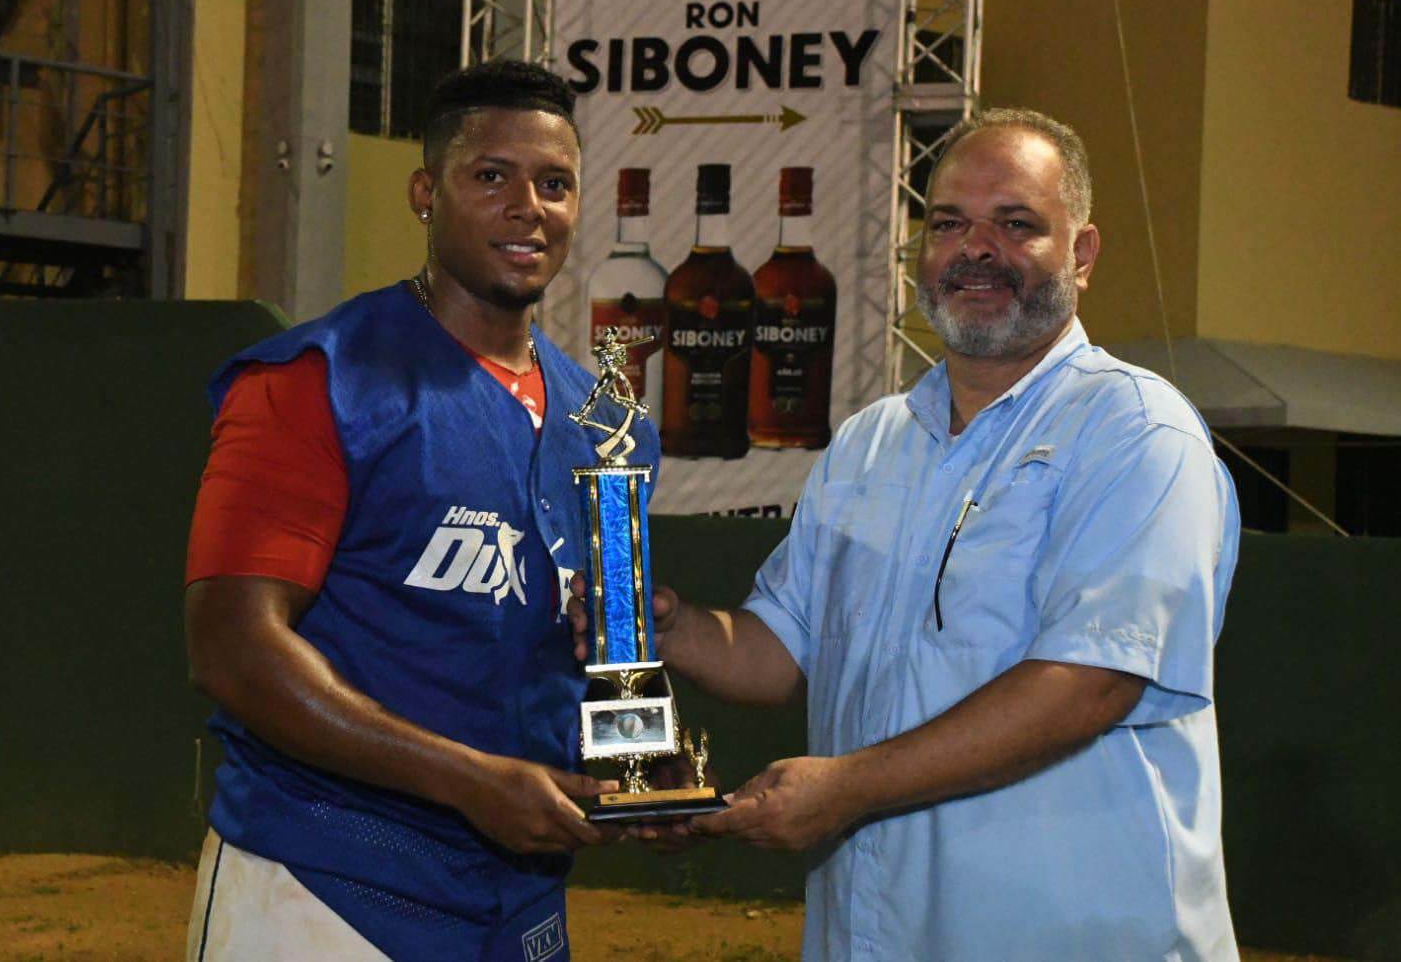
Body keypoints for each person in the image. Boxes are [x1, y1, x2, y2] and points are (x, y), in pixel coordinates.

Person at [572, 109, 1241, 959]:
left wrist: (845, 789)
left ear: (1080, 254)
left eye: (1015, 224)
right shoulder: (869, 441)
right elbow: (781, 648)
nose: (975, 249)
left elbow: (1089, 682)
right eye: (948, 223)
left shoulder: (1134, 431)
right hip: (874, 931)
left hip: (1064, 936)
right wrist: (661, 628)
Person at [184, 60, 648, 961]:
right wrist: (468, 782)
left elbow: (597, 649)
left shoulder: (608, 425)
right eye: (491, 176)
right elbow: (231, 650)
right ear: (425, 194)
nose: (528, 207)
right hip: (323, 882)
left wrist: (639, 773)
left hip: (518, 899)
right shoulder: (316, 382)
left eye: (554, 184)